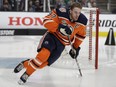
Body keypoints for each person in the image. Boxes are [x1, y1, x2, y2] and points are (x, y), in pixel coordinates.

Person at [14, 2, 88, 84]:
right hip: (52, 37)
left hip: (61, 45)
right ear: (70, 11)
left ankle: (25, 64)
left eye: (79, 13)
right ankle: (26, 74)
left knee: (42, 65)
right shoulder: (61, 12)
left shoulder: (82, 21)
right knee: (42, 56)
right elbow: (46, 21)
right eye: (75, 12)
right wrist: (59, 27)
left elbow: (81, 35)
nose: (77, 15)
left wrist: (75, 47)